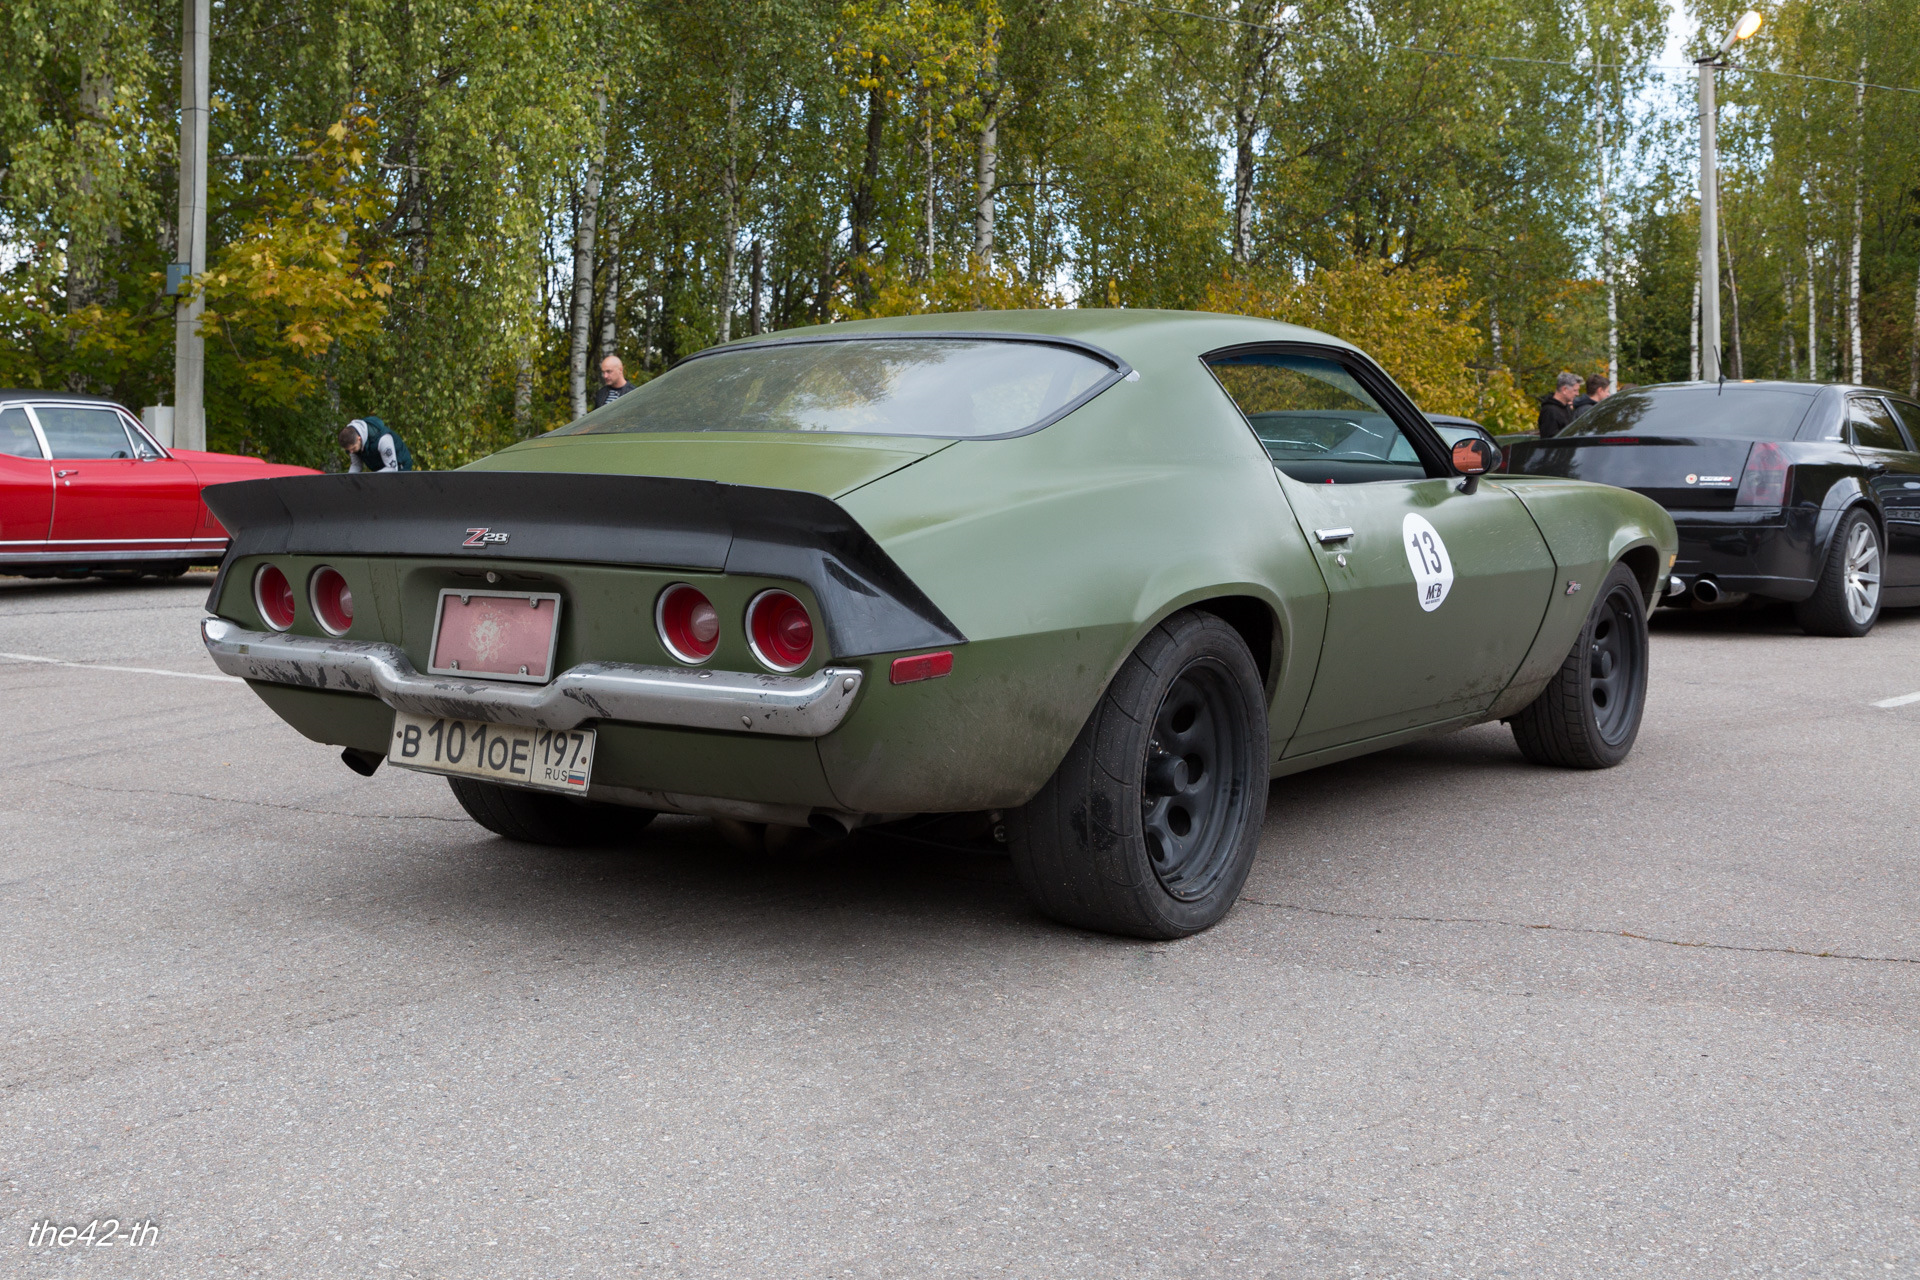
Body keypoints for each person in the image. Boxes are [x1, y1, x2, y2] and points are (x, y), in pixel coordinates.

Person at [337, 415, 414, 473]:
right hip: (380, 468)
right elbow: (356, 465)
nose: (351, 452)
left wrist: (371, 479)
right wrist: (349, 482)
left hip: (400, 465)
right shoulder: (352, 443)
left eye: (353, 448)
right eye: (348, 450)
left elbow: (392, 469)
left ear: (359, 438)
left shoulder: (383, 440)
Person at [1536, 372, 1582, 438]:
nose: (1577, 394)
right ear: (1564, 389)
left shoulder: (1567, 408)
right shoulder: (1549, 411)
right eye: (1575, 390)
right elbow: (1549, 440)